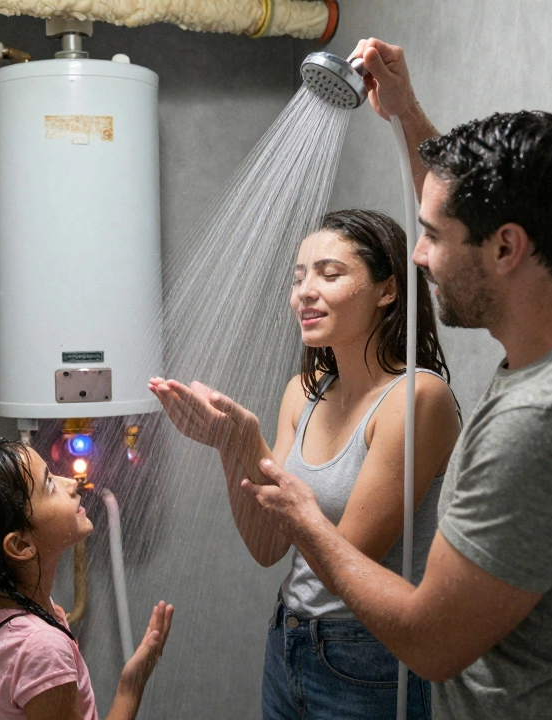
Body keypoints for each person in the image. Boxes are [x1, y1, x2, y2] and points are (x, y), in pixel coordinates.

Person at [239, 38, 552, 720]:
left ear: (507, 247)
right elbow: (478, 204)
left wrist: (304, 517)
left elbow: (429, 642)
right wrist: (406, 114)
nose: (418, 256)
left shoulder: (546, 423)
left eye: (432, 236)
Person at [149, 209, 461, 719]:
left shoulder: (416, 400)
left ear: (387, 290)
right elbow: (269, 545)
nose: (305, 293)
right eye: (299, 279)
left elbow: (345, 567)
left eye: (329, 274)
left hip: (371, 658)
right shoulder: (304, 393)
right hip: (289, 636)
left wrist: (251, 444)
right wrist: (232, 445)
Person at [0, 439, 175, 720]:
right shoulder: (41, 648)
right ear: (20, 546)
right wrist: (130, 687)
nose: (71, 483)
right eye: (50, 484)